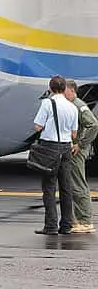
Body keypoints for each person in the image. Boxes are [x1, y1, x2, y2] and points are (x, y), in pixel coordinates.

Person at [33, 75, 79, 235]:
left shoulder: (48, 103)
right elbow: (74, 133)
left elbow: (38, 126)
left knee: (49, 187)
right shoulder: (72, 106)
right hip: (66, 147)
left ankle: (51, 225)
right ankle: (66, 225)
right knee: (66, 187)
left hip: (50, 147)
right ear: (64, 87)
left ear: (51, 88)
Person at [62, 79, 96, 234]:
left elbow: (93, 125)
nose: (62, 94)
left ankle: (85, 221)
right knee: (72, 184)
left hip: (77, 151)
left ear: (72, 90)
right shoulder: (72, 105)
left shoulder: (78, 106)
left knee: (78, 184)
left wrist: (80, 144)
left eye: (64, 91)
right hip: (73, 149)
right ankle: (79, 219)